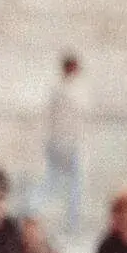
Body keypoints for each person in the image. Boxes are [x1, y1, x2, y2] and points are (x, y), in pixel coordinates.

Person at [33, 53, 90, 235]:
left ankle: (71, 224)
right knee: (56, 184)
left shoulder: (67, 90)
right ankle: (34, 214)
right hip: (63, 144)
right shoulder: (63, 91)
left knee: (71, 186)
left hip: (67, 144)